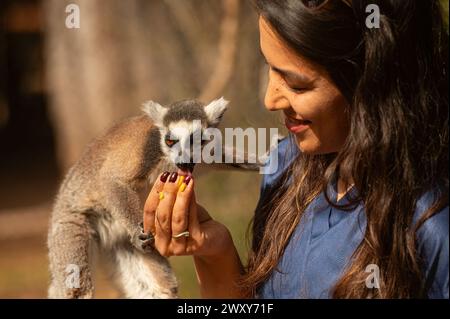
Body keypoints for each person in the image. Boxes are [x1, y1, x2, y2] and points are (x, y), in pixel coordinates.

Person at [142, 0, 449, 298]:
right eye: (270, 68)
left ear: (370, 83)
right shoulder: (286, 167)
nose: (269, 100)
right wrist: (215, 251)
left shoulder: (430, 225)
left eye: (296, 84)